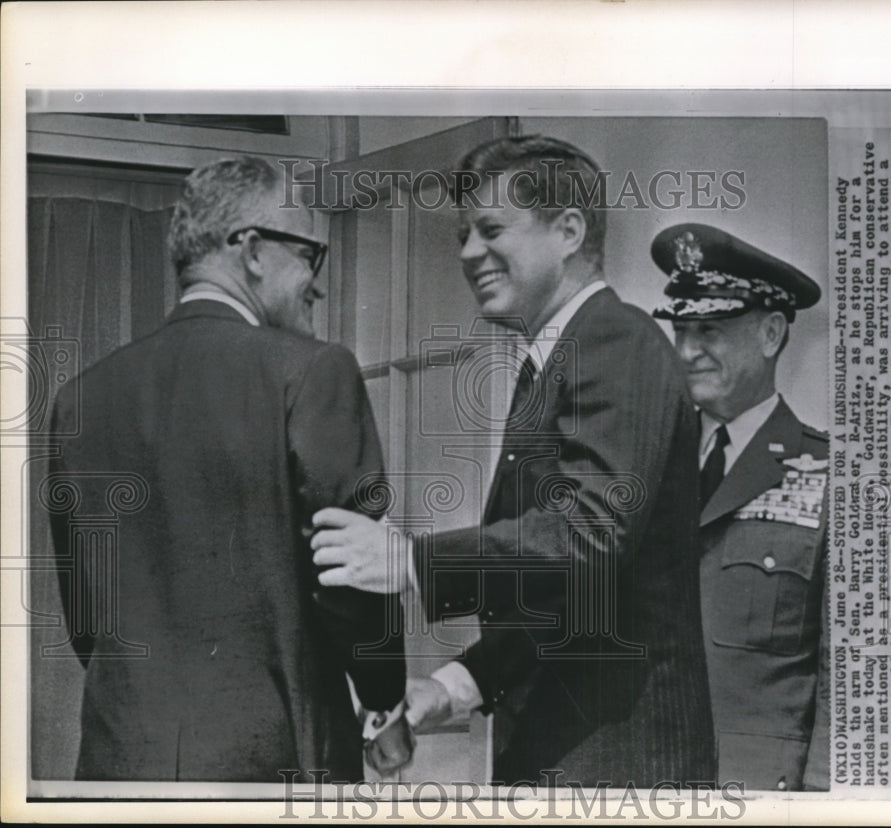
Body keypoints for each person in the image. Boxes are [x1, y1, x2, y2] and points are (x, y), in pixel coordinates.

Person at [311, 135, 714, 787]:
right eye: (463, 235)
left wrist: (410, 561)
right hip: (577, 766)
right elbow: (577, 603)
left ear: (569, 230)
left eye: (491, 228)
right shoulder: (562, 357)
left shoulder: (615, 341)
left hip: (615, 772)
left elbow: (591, 535)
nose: (470, 253)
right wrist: (456, 684)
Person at [46, 156, 409, 782]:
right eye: (310, 255)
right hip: (275, 768)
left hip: (119, 766)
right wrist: (383, 703)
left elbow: (88, 621)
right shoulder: (314, 371)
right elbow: (352, 578)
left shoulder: (82, 397)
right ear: (253, 250)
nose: (316, 283)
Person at [650, 222, 829, 791]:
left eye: (711, 329)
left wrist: (828, 804)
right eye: (681, 329)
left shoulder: (834, 478)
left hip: (761, 794)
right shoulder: (643, 467)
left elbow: (848, 674)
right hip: (641, 785)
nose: (688, 350)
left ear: (771, 333)